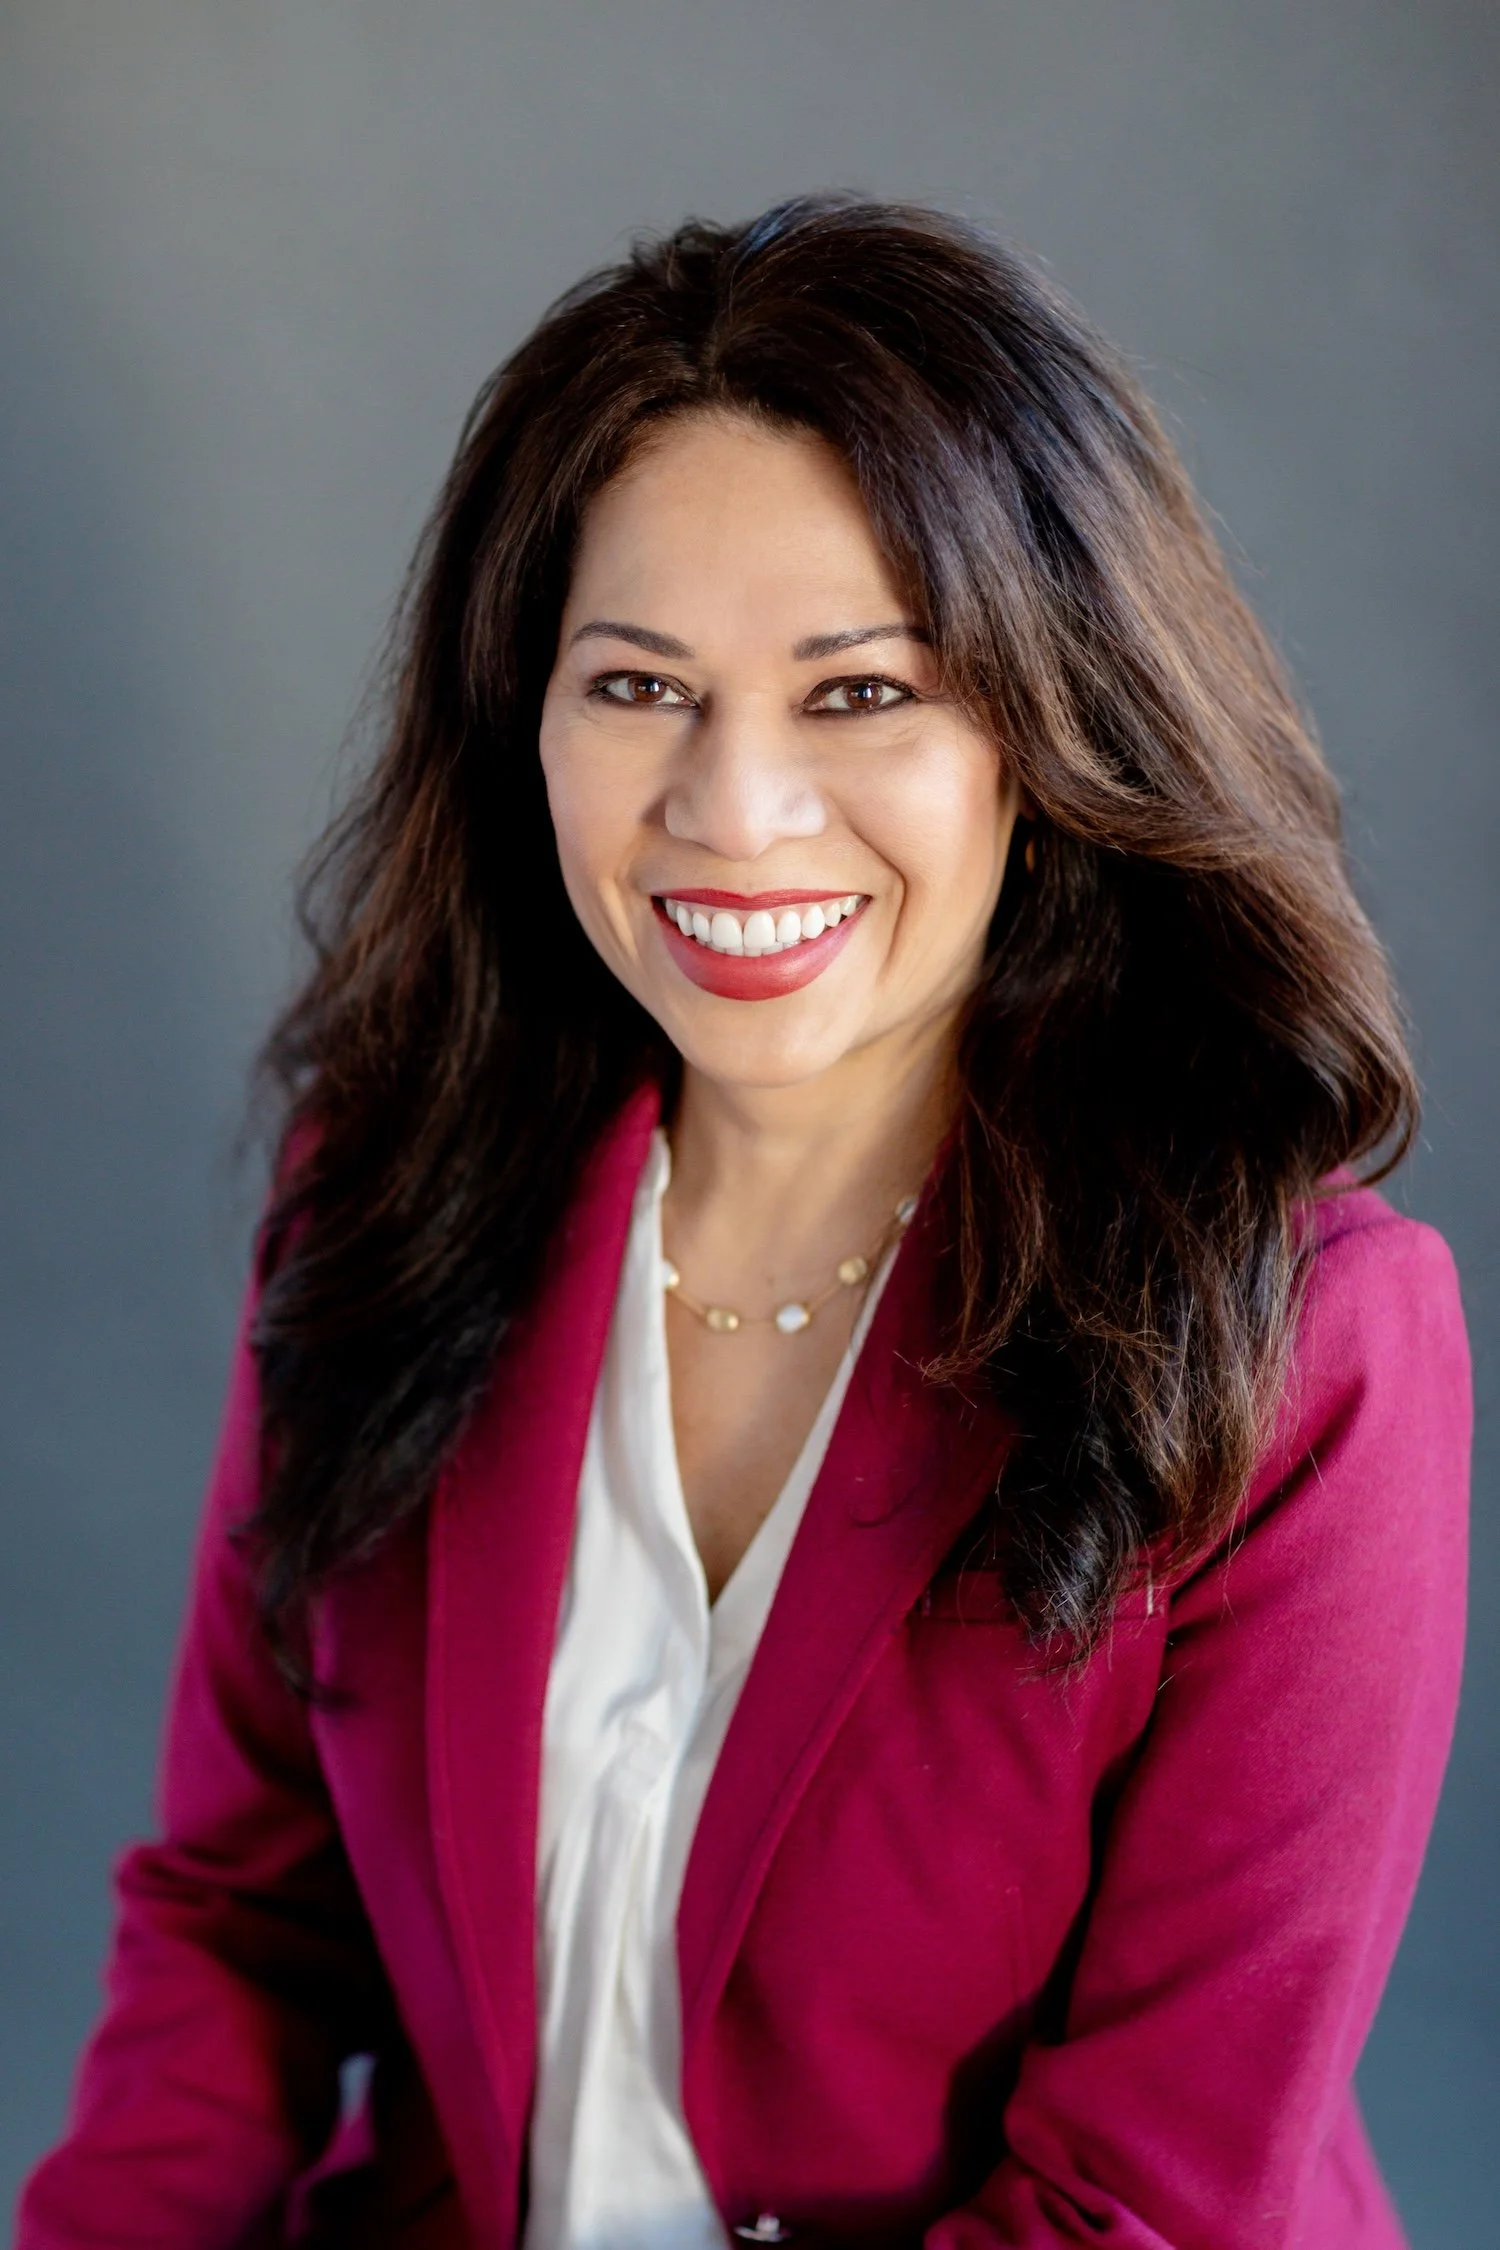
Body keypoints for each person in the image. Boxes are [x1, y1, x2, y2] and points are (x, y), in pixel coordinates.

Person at [17, 197, 1470, 2250]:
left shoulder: (1306, 1342)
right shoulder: (394, 1192)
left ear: (1043, 736)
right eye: (639, 686)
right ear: (525, 717)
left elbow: (1142, 2202)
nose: (733, 809)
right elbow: (235, 1937)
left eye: (860, 695)